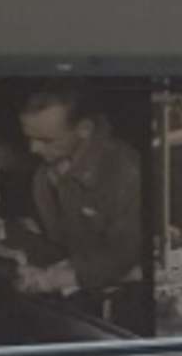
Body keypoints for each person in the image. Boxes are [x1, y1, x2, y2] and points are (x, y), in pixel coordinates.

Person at [14, 87, 144, 303]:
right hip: (82, 290)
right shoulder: (47, 172)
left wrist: (52, 279)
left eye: (46, 140)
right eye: (29, 138)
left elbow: (124, 256)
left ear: (84, 129)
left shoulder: (126, 172)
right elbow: (61, 245)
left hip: (127, 297)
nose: (33, 148)